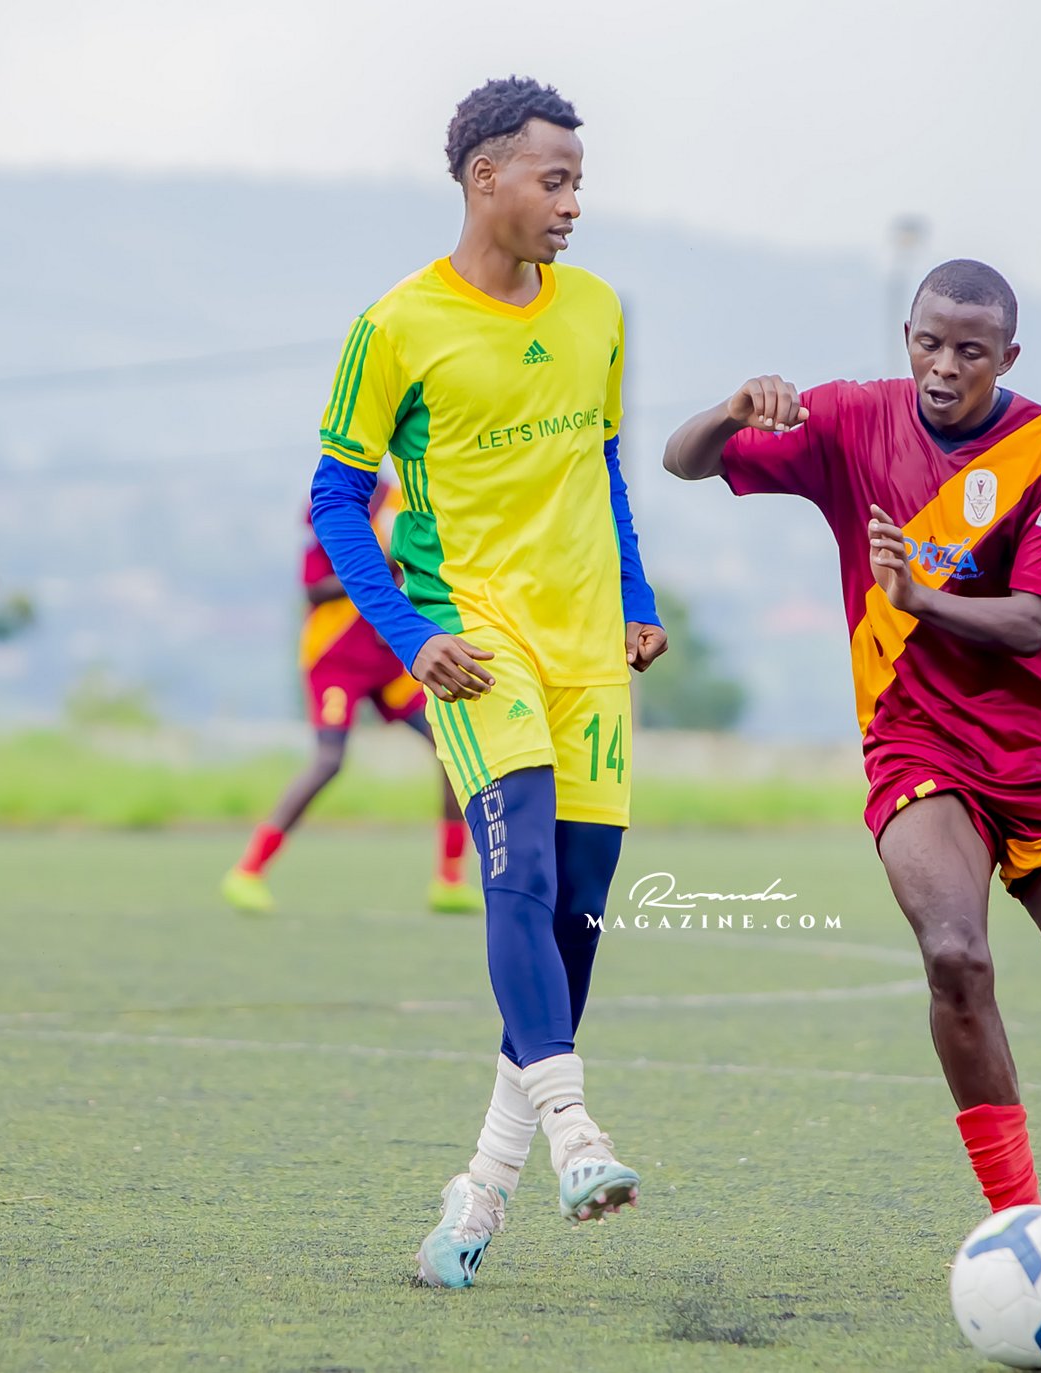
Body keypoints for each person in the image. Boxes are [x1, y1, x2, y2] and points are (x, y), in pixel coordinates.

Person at [661, 259, 1041, 1212]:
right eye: (929, 343)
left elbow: (1037, 622)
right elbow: (682, 461)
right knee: (953, 955)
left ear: (1007, 357)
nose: (943, 366)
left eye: (970, 351)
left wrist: (917, 596)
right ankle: (1020, 1220)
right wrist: (730, 412)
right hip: (918, 738)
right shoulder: (851, 418)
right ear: (907, 339)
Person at [308, 76, 667, 1288]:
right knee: (518, 871)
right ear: (484, 178)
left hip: (588, 652)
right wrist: (411, 636)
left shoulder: (598, 310)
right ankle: (576, 1133)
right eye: (553, 180)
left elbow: (602, 468)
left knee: (576, 915)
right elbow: (334, 499)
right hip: (474, 641)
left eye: (578, 183)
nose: (572, 204)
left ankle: (478, 1192)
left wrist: (636, 596)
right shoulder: (395, 325)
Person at [222, 485, 478, 917]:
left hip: (390, 653)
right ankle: (248, 871)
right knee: (329, 760)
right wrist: (373, 568)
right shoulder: (335, 496)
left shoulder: (403, 498)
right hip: (336, 657)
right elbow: (313, 590)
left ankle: (450, 880)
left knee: (448, 744)